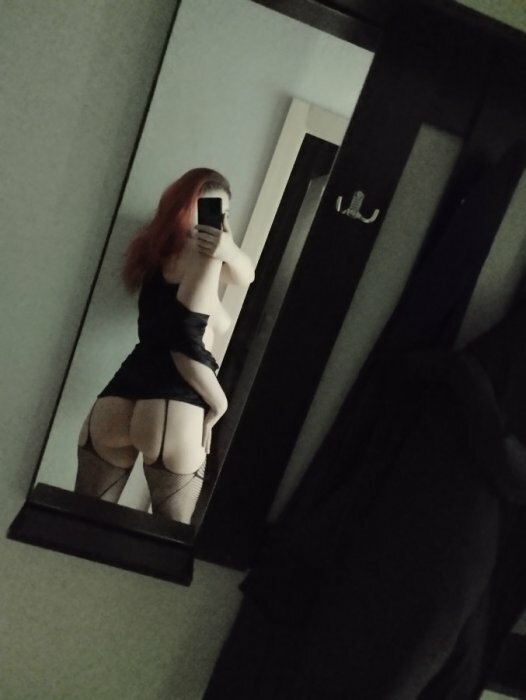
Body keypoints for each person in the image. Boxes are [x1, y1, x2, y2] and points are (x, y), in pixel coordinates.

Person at [74, 168, 254, 524]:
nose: (217, 223)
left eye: (223, 215)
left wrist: (229, 251)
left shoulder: (155, 250)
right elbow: (183, 341)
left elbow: (242, 277)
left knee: (80, 526)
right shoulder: (203, 258)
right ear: (187, 209)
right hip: (172, 403)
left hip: (117, 400)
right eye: (211, 210)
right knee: (164, 542)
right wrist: (219, 401)